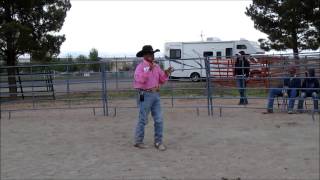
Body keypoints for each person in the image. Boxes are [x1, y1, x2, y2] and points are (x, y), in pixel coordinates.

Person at [133, 45, 173, 151]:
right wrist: (148, 70)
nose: (152, 55)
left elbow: (162, 80)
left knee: (159, 119)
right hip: (145, 94)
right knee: (143, 119)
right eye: (149, 54)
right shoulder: (140, 67)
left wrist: (166, 73)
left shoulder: (156, 66)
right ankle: (138, 141)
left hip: (155, 94)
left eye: (152, 53)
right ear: (145, 55)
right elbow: (140, 80)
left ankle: (158, 142)